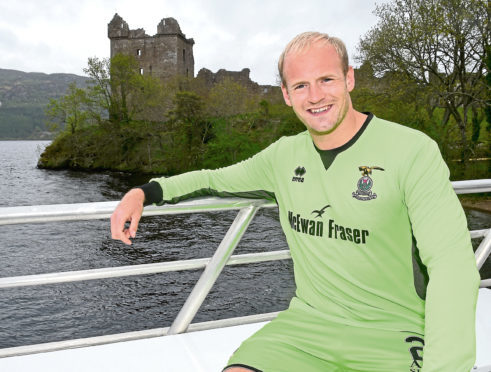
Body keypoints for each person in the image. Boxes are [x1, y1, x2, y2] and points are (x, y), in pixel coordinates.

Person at [111, 32, 480, 371]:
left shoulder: (411, 150)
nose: (315, 96)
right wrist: (144, 191)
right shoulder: (283, 157)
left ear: (349, 79)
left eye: (326, 80)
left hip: (392, 331)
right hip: (307, 328)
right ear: (286, 95)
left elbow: (452, 265)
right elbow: (213, 180)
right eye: (301, 85)